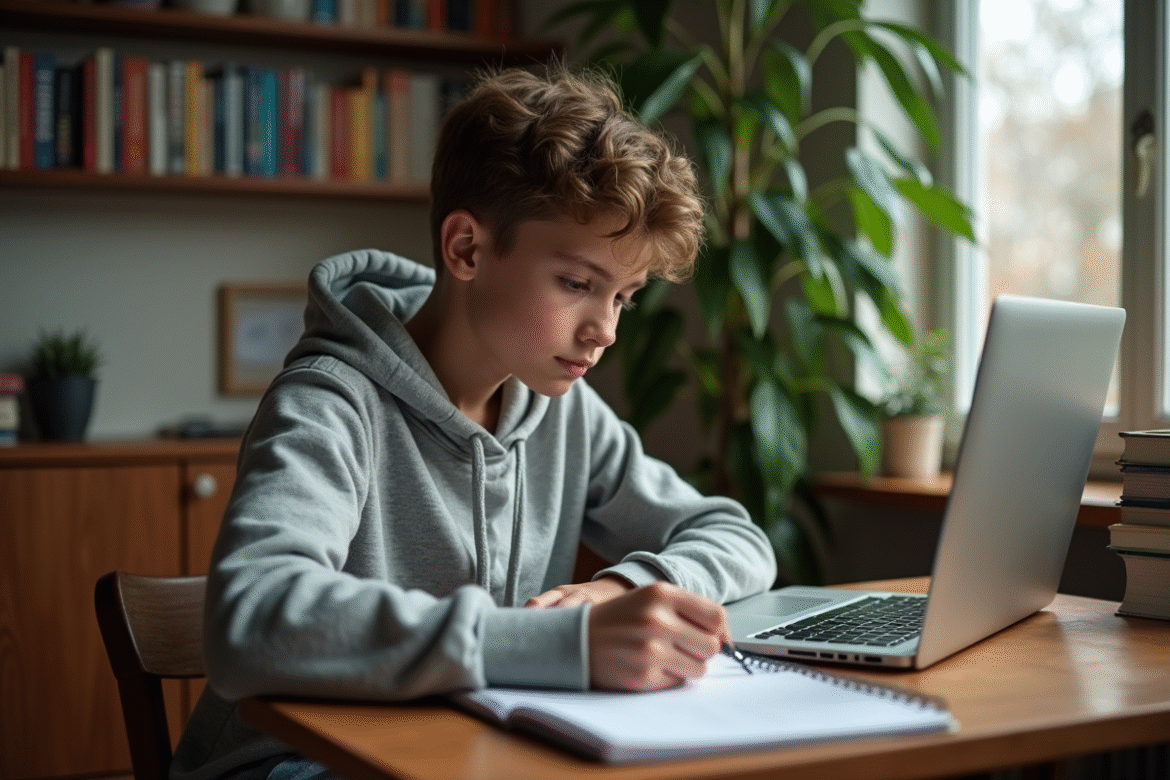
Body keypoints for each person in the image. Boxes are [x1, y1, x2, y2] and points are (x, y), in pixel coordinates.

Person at [171, 65, 776, 780]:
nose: (604, 330)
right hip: (290, 762)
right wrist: (559, 642)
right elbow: (251, 620)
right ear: (466, 249)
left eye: (625, 296)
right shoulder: (330, 402)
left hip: (461, 748)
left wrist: (624, 587)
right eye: (578, 284)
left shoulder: (561, 408)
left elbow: (736, 537)